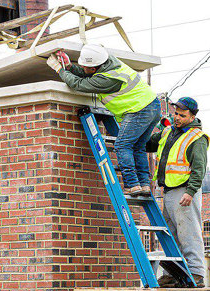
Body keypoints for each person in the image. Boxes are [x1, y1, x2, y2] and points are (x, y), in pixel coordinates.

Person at [46, 44, 160, 196]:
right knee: (138, 146)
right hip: (152, 105)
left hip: (139, 109)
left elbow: (78, 84)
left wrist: (59, 69)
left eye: (84, 65)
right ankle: (144, 185)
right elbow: (86, 74)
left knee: (122, 145)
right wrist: (69, 66)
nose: (81, 66)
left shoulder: (108, 80)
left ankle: (132, 185)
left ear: (93, 68)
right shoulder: (109, 63)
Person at [145, 96, 209, 288]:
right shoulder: (169, 131)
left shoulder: (197, 138)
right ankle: (172, 274)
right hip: (169, 190)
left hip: (184, 191)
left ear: (192, 117)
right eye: (175, 114)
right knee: (171, 235)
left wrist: (190, 192)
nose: (177, 118)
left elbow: (199, 169)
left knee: (189, 233)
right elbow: (149, 144)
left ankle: (196, 273)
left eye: (182, 115)